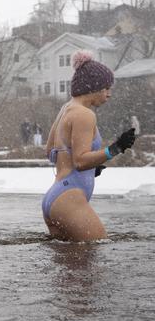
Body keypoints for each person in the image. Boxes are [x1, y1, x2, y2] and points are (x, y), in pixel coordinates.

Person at [42, 52, 136, 242]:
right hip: (70, 198)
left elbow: (51, 152)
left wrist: (93, 168)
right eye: (107, 88)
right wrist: (116, 148)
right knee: (95, 252)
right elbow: (80, 161)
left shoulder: (66, 109)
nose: (109, 94)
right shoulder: (84, 114)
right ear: (93, 87)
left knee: (69, 266)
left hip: (56, 197)